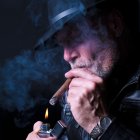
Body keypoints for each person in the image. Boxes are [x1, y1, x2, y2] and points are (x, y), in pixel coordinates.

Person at [26, 0, 140, 139]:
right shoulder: (75, 99)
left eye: (75, 38)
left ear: (114, 24)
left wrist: (97, 123)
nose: (67, 56)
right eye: (62, 44)